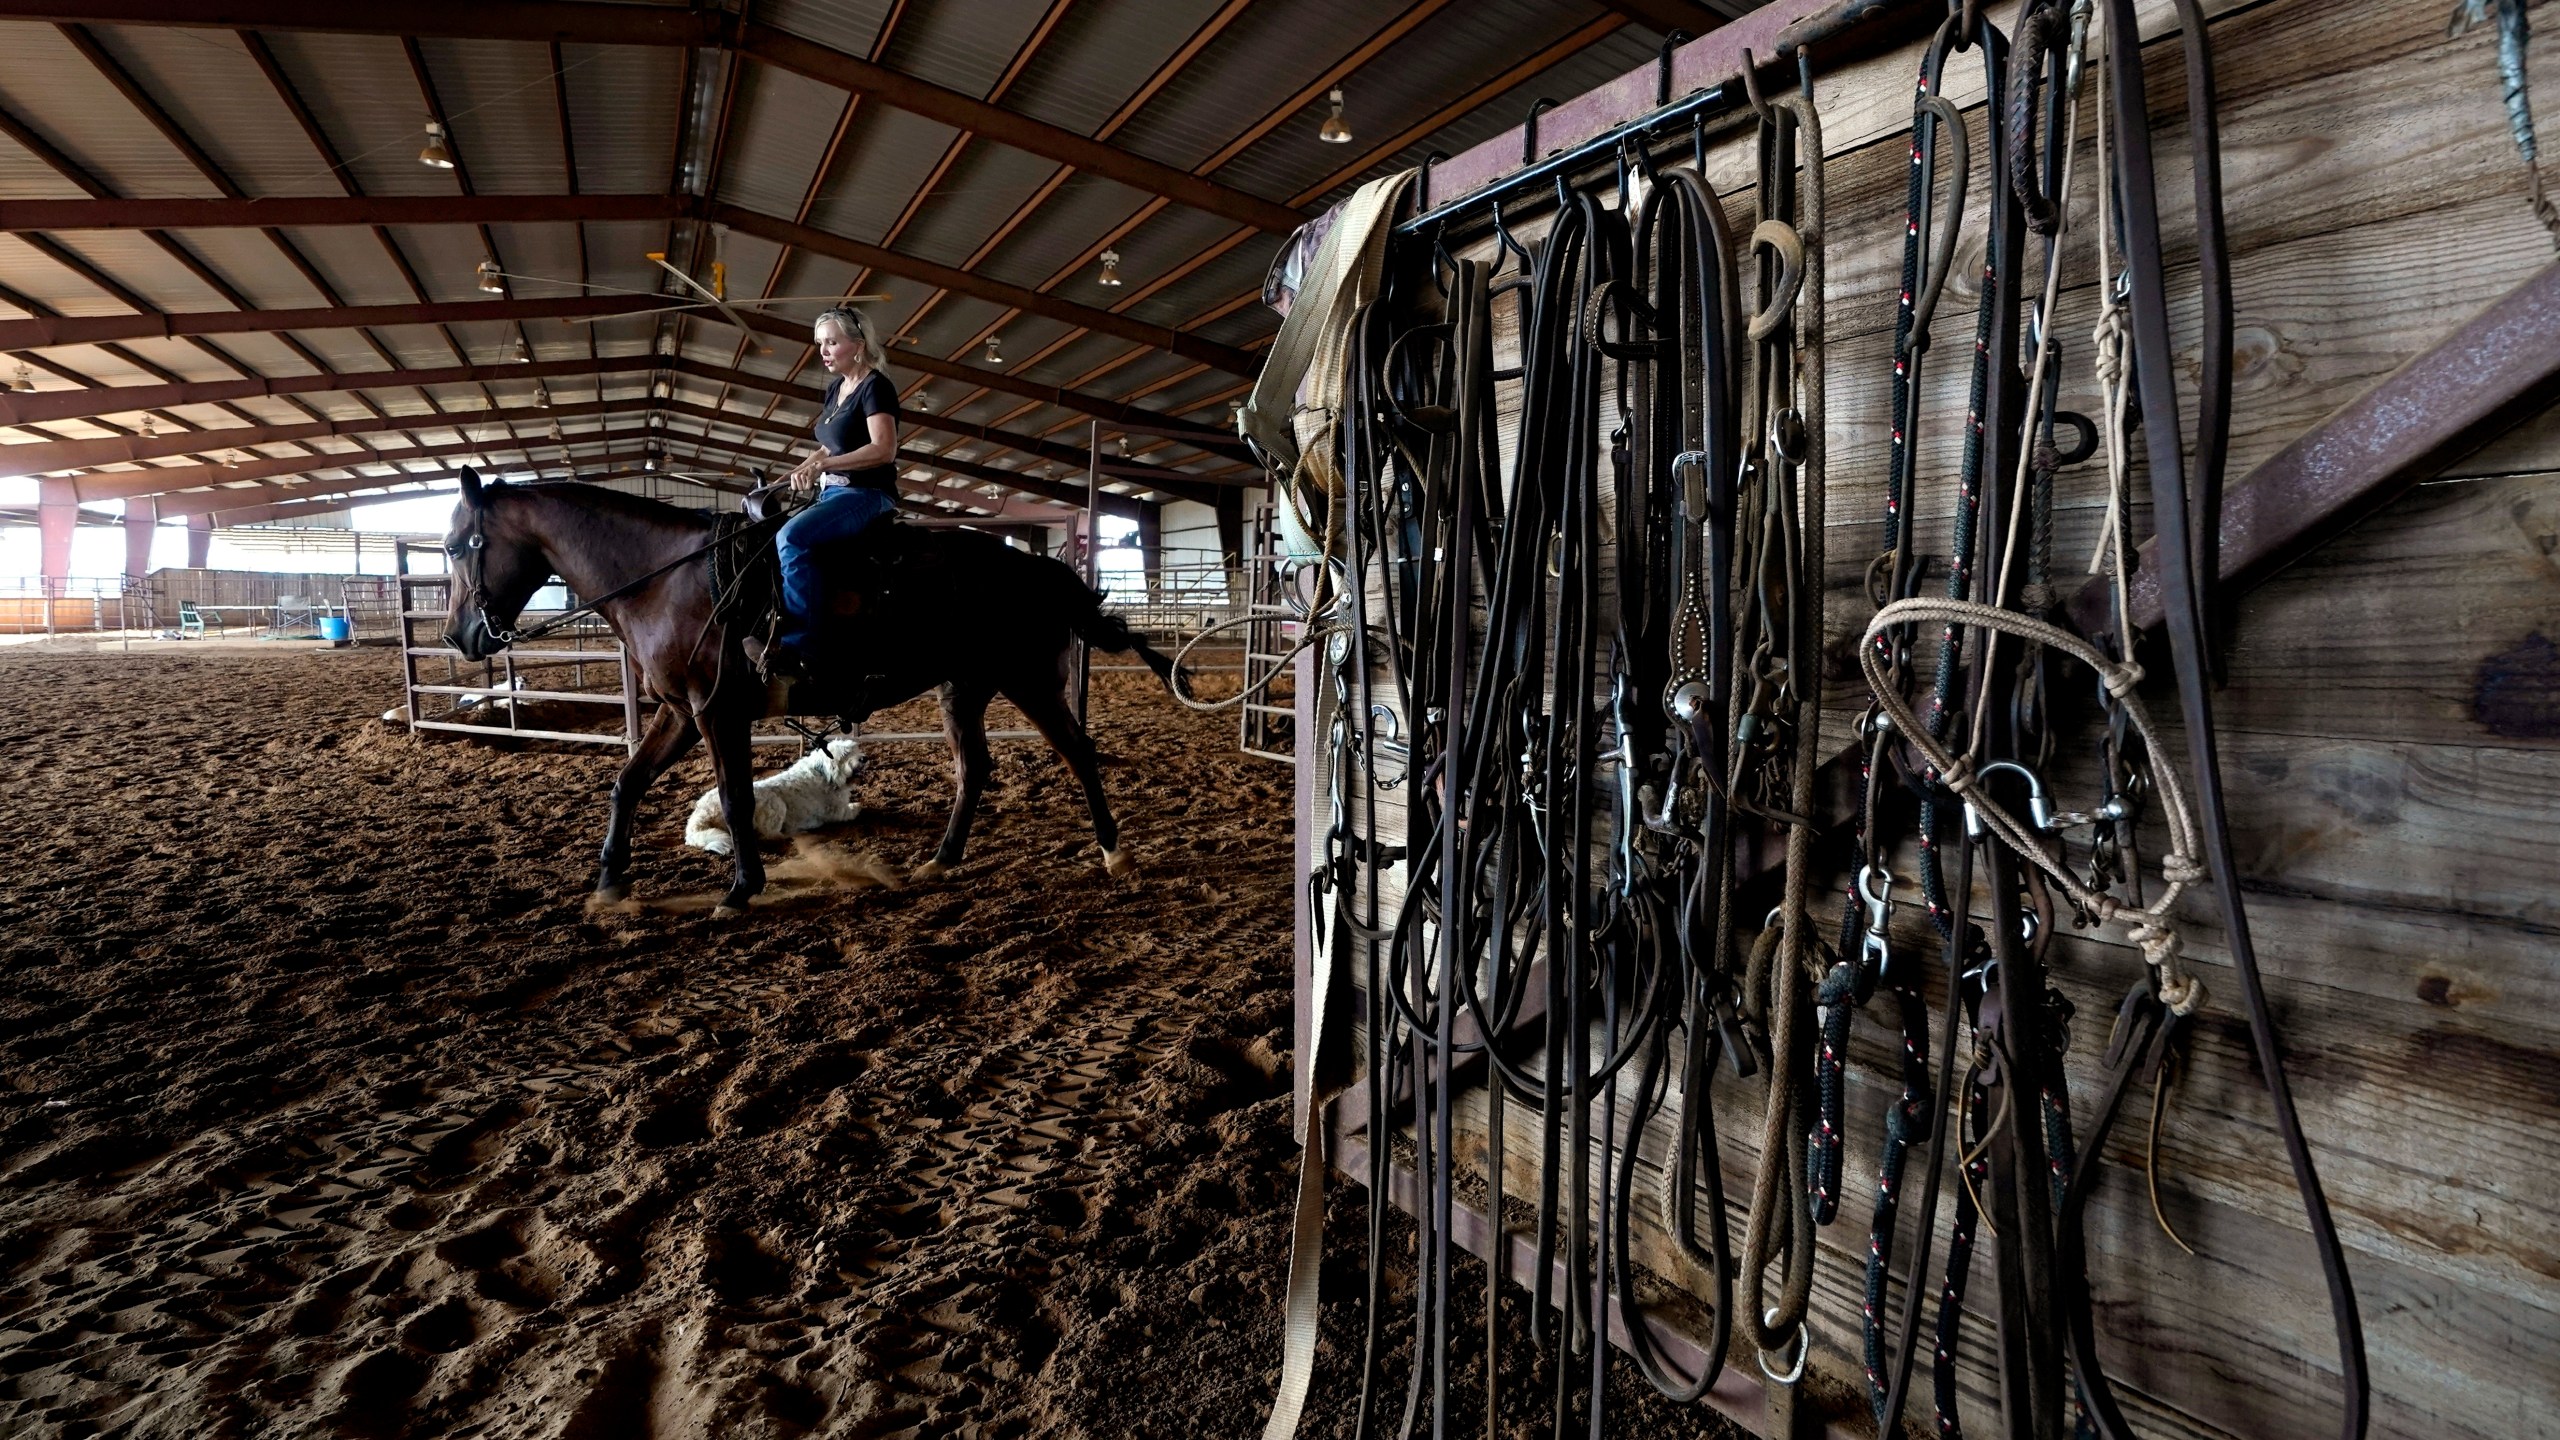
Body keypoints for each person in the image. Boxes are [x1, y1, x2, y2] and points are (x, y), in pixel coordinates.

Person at [769, 304, 901, 673]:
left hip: (866, 494)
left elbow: (883, 449)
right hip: (831, 493)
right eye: (819, 343)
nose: (823, 351)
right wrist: (793, 473)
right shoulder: (836, 389)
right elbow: (829, 444)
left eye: (831, 342)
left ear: (857, 345)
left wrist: (824, 465)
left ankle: (801, 645)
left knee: (792, 537)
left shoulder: (876, 387)